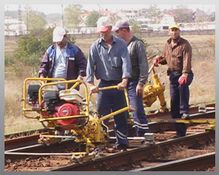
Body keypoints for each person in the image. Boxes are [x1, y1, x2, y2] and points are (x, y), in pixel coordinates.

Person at [86, 16, 132, 151]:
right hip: (104, 85)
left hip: (118, 85)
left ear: (111, 30)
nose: (103, 33)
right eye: (101, 31)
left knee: (121, 115)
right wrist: (90, 84)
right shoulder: (95, 46)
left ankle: (122, 142)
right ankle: (100, 142)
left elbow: (126, 63)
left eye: (105, 31)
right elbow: (90, 67)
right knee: (100, 116)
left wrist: (125, 79)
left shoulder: (121, 44)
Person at [154, 24, 194, 137]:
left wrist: (185, 74)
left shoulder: (185, 44)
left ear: (179, 31)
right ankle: (180, 133)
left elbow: (187, 60)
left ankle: (185, 111)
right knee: (174, 102)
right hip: (173, 75)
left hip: (184, 74)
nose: (174, 32)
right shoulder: (167, 44)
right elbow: (166, 59)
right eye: (172, 30)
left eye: (176, 30)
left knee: (182, 86)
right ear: (169, 32)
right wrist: (158, 60)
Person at [113, 20, 149, 137]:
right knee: (123, 110)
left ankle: (143, 134)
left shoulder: (137, 44)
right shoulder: (120, 45)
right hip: (122, 81)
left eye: (117, 31)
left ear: (124, 30)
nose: (116, 34)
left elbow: (143, 64)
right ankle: (128, 133)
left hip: (134, 81)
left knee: (136, 108)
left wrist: (141, 83)